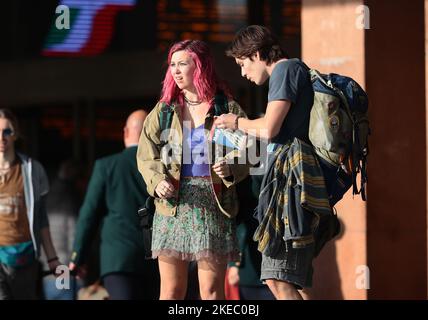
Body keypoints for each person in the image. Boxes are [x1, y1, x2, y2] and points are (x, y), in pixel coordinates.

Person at [215, 25, 339, 300]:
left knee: (276, 278)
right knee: (292, 282)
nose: (243, 73)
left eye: (242, 63)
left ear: (257, 53)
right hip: (296, 182)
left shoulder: (284, 70)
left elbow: (270, 127)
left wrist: (236, 123)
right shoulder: (294, 70)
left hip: (290, 185)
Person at [137, 39, 249, 300]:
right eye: (172, 65)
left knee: (211, 292)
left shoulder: (225, 109)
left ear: (200, 66)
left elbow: (247, 151)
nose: (175, 70)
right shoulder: (165, 110)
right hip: (171, 207)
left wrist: (230, 166)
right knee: (172, 291)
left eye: (183, 64)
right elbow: (145, 154)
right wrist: (155, 181)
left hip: (213, 205)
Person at [69, 110, 160, 300]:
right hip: (156, 259)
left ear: (126, 132)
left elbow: (89, 214)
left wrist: (78, 257)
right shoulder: (161, 168)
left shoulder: (107, 166)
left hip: (118, 260)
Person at [0, 108, 61, 300]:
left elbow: (41, 218)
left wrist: (52, 258)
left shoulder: (32, 170)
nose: (1, 137)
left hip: (25, 256)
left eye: (7, 131)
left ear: (15, 134)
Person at [43, 159, 82, 300]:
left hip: (53, 265)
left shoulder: (50, 195)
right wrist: (78, 259)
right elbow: (73, 231)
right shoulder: (66, 198)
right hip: (63, 264)